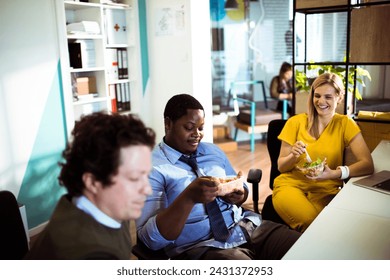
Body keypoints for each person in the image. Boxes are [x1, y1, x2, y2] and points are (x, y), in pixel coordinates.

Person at [136, 94, 301, 260]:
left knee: (303, 247)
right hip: (201, 246)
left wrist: (239, 194)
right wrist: (188, 198)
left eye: (200, 128)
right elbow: (150, 240)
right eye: (189, 127)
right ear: (168, 124)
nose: (197, 134)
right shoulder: (151, 168)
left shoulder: (212, 151)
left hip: (244, 226)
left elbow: (237, 184)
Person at [25, 112, 156, 259]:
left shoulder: (103, 206)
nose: (148, 190)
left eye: (147, 175)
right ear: (93, 182)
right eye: (134, 178)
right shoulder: (91, 256)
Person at [272, 73, 374, 232]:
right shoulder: (295, 122)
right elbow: (281, 167)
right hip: (290, 186)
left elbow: (367, 164)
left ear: (339, 98)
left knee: (331, 229)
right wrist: (293, 155)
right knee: (313, 225)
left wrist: (334, 174)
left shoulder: (345, 123)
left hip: (326, 191)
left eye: (328, 97)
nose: (321, 102)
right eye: (317, 96)